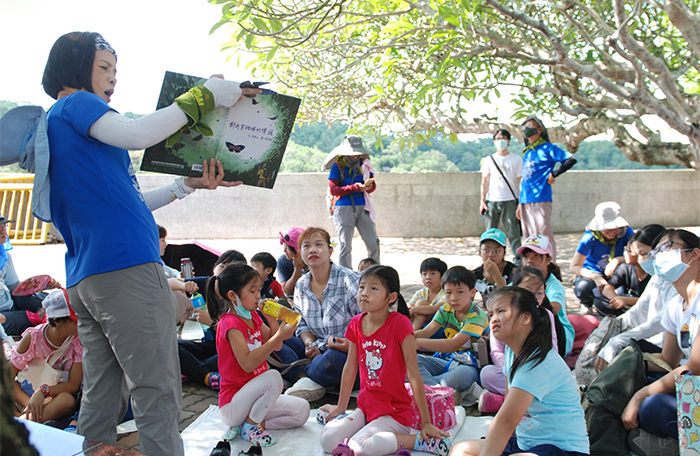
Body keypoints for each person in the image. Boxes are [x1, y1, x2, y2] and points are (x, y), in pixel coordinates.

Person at [42, 31, 261, 454]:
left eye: (115, 71)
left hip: (88, 276)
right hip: (124, 269)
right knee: (157, 384)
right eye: (104, 67)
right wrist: (208, 95)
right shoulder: (78, 104)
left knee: (104, 380)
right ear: (74, 67)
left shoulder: (65, 125)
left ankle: (96, 447)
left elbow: (130, 200)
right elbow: (140, 133)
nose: (112, 79)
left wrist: (185, 185)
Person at [319, 265, 451, 456]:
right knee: (327, 440)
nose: (364, 293)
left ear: (391, 297)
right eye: (362, 287)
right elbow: (350, 367)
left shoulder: (400, 323)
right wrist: (341, 407)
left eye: (373, 288)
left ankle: (418, 441)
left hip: (394, 412)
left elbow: (413, 374)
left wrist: (426, 423)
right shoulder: (356, 323)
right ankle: (363, 430)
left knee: (358, 447)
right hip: (366, 408)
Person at [449, 287, 589, 456]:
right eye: (491, 314)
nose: (493, 319)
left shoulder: (537, 362)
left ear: (525, 317)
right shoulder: (511, 351)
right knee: (460, 449)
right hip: (525, 443)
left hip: (562, 450)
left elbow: (506, 421)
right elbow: (508, 406)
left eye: (501, 311)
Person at [206, 263, 309, 447]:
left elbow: (276, 347)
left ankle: (251, 422)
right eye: (252, 291)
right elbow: (247, 364)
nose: (258, 296)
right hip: (233, 403)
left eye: (259, 290)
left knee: (302, 411)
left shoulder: (252, 316)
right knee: (273, 377)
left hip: (255, 399)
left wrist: (272, 321)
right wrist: (278, 335)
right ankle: (250, 426)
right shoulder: (230, 324)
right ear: (232, 296)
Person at [621, 229, 700, 454]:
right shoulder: (676, 304)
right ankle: (678, 442)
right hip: (693, 385)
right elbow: (668, 359)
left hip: (694, 381)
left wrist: (640, 395)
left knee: (652, 405)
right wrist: (625, 365)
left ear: (694, 254)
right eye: (656, 251)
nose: (659, 255)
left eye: (667, 247)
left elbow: (694, 368)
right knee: (636, 380)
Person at [283, 227, 362, 401]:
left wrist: (351, 345)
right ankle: (308, 377)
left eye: (319, 244)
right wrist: (309, 342)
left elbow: (369, 322)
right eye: (306, 246)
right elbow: (300, 322)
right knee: (276, 339)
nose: (312, 250)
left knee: (331, 359)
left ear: (330, 250)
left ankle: (304, 377)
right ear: (301, 255)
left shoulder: (350, 280)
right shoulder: (301, 285)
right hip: (318, 349)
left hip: (352, 354)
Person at [479, 267, 564, 413]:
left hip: (535, 373)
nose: (535, 297)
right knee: (487, 374)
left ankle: (510, 402)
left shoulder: (545, 316)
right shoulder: (502, 321)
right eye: (492, 314)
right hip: (512, 373)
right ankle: (515, 402)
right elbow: (497, 351)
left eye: (539, 293)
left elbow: (552, 351)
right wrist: (511, 369)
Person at [595, 225, 675, 372]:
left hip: (669, 352)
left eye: (644, 254)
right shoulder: (658, 277)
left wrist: (618, 340)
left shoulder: (680, 283)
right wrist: (610, 329)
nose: (641, 260)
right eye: (637, 255)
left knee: (621, 360)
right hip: (657, 343)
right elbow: (640, 308)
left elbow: (663, 321)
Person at [10, 289, 82, 424]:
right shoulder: (32, 338)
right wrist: (30, 404)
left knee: (67, 401)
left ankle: (22, 422)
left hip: (50, 401)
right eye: (76, 320)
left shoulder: (77, 343)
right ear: (57, 321)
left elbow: (73, 385)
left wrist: (43, 392)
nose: (81, 324)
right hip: (23, 399)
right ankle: (25, 420)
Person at [414, 266, 487, 398]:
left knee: (459, 376)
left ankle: (427, 388)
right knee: (410, 360)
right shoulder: (445, 309)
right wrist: (404, 336)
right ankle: (437, 390)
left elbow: (452, 344)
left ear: (472, 292)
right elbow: (426, 332)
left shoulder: (477, 315)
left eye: (460, 292)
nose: (453, 298)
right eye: (448, 293)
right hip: (447, 359)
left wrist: (417, 343)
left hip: (470, 365)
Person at [178, 251, 247, 390]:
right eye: (222, 266)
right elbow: (168, 283)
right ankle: (198, 372)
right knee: (172, 346)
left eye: (231, 269)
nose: (224, 272)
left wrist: (213, 323)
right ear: (215, 267)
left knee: (232, 359)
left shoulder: (242, 295)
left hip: (229, 348)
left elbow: (244, 334)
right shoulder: (207, 283)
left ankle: (197, 374)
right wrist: (183, 286)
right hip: (209, 345)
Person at [517, 116, 577, 262]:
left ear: (539, 129)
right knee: (528, 236)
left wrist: (554, 174)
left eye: (530, 125)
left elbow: (570, 159)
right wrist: (519, 203)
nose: (527, 129)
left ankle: (550, 265)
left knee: (543, 235)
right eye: (525, 126)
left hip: (541, 197)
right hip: (526, 199)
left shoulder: (548, 148)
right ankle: (531, 265)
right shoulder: (529, 151)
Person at [0, 214, 62, 336]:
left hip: (10, 303)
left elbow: (15, 288)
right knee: (34, 320)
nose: (3, 231)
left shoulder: (4, 256)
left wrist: (41, 284)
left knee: (51, 303)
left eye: (4, 226)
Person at [327, 135, 380, 269]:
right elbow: (333, 189)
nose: (355, 156)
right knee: (345, 245)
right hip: (343, 207)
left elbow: (372, 187)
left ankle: (375, 272)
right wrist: (356, 187)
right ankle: (346, 275)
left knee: (373, 243)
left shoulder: (365, 164)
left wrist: (368, 186)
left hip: (363, 206)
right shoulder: (338, 166)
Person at [517, 234, 575, 355]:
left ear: (548, 260)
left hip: (558, 338)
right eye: (526, 256)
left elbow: (553, 310)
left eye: (536, 256)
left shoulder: (554, 285)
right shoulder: (520, 280)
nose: (530, 260)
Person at [570, 202, 634, 310]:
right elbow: (574, 266)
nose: (612, 231)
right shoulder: (589, 237)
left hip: (615, 273)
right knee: (583, 288)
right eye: (607, 227)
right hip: (592, 273)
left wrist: (617, 260)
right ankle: (587, 303)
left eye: (616, 227)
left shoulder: (626, 232)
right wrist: (596, 277)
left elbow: (637, 256)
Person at [479, 129, 523, 256]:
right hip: (492, 200)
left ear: (508, 141)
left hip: (509, 200)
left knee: (513, 232)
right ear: (494, 141)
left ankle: (518, 258)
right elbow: (484, 181)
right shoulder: (489, 159)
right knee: (489, 233)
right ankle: (486, 256)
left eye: (503, 139)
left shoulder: (516, 159)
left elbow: (520, 181)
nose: (500, 141)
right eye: (498, 139)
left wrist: (520, 202)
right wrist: (482, 201)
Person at [594, 227, 655, 317]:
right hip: (629, 307)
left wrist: (626, 300)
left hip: (649, 309)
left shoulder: (654, 273)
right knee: (600, 301)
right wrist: (617, 300)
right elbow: (607, 289)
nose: (625, 254)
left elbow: (654, 300)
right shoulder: (625, 268)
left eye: (629, 251)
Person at [472, 229, 516, 305]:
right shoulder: (475, 274)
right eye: (486, 250)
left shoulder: (513, 271)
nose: (491, 254)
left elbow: (511, 300)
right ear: (480, 252)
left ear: (504, 253)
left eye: (497, 250)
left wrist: (496, 275)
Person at [408, 257, 449, 330]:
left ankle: (413, 332)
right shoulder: (421, 293)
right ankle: (413, 331)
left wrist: (415, 309)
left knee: (420, 303)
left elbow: (436, 308)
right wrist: (413, 309)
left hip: (438, 325)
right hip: (421, 323)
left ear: (443, 277)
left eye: (433, 273)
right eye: (424, 274)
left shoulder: (446, 293)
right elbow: (410, 306)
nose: (428, 277)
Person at [277, 227, 305, 300]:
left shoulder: (312, 261)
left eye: (287, 247)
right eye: (284, 246)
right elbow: (287, 291)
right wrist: (297, 269)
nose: (284, 250)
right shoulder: (283, 261)